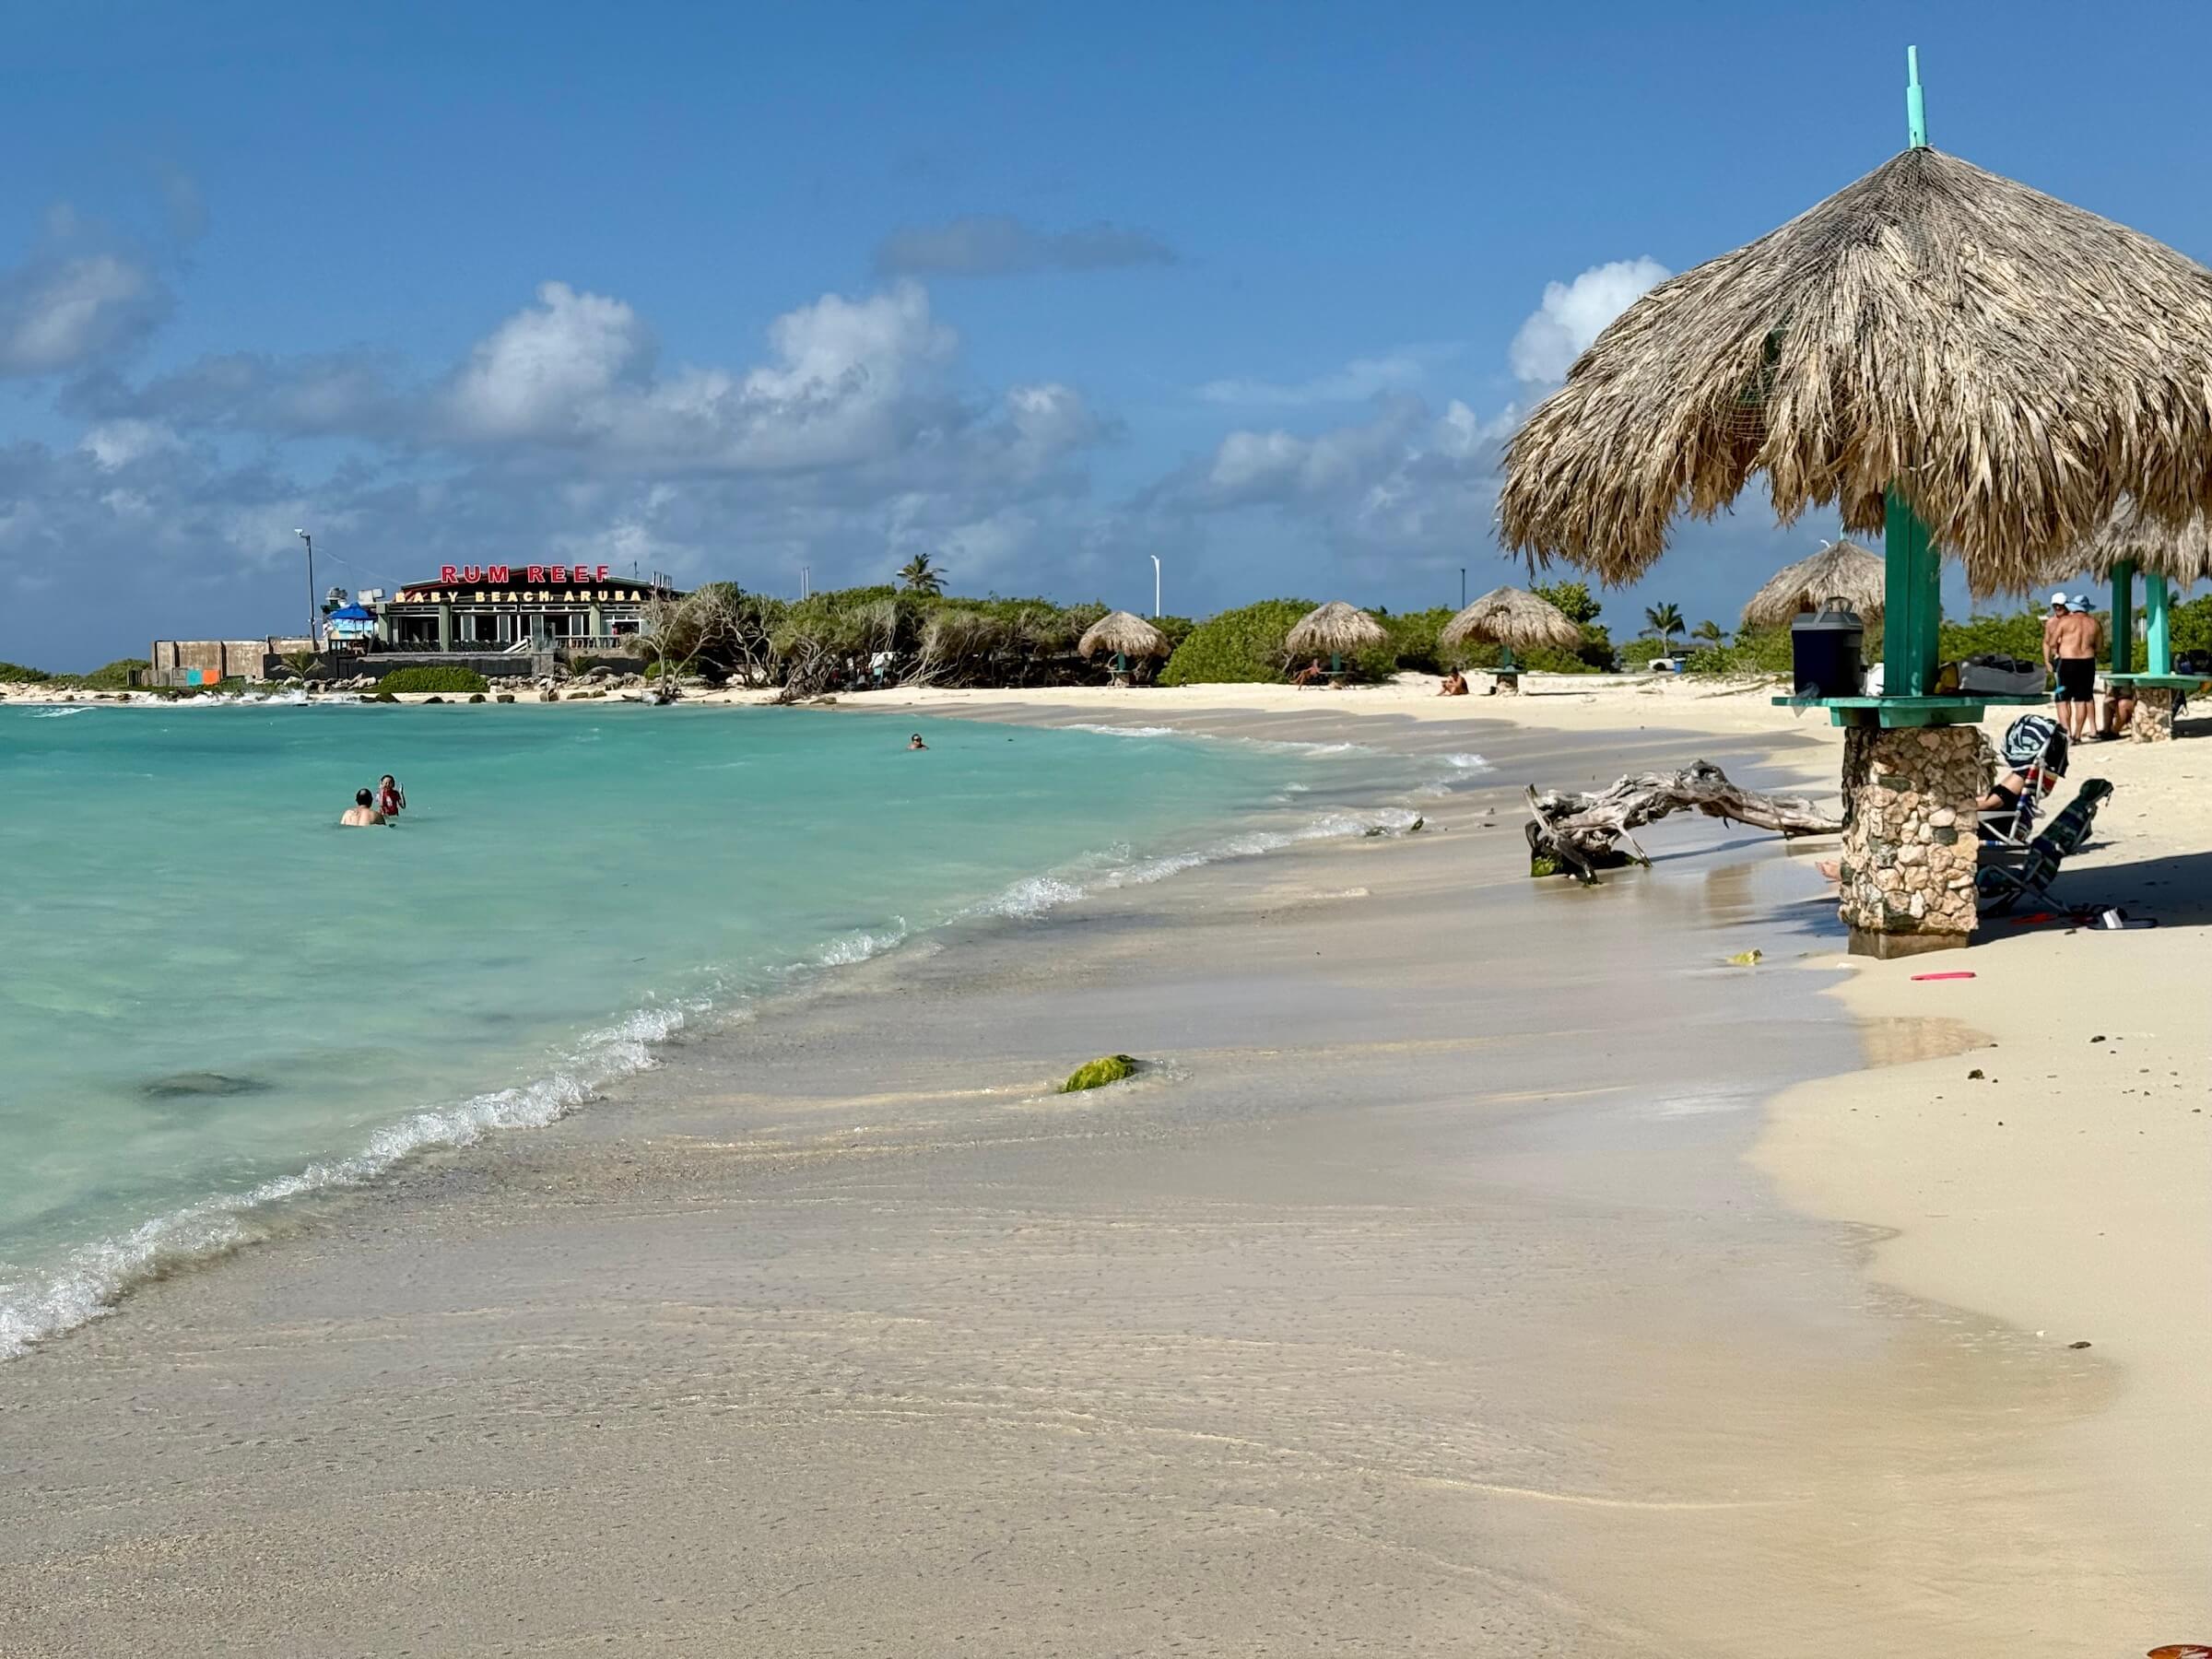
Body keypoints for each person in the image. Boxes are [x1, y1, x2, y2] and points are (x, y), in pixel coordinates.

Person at [2042, 591, 2100, 743]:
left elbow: (2052, 642)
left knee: (2062, 699)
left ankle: (2066, 734)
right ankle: (2077, 734)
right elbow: (2099, 646)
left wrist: (2059, 650)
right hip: (2087, 662)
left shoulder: (2065, 621)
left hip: (2067, 661)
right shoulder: (2095, 623)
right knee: (2081, 700)